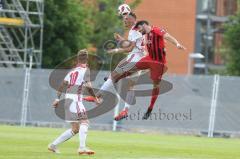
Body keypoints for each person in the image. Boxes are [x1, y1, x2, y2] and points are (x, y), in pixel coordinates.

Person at [48, 49, 99, 155]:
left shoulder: (72, 71)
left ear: (77, 59)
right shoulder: (86, 70)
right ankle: (82, 148)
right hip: (75, 101)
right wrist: (95, 98)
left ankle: (53, 145)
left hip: (67, 101)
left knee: (75, 129)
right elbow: (89, 86)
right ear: (87, 59)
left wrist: (57, 99)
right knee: (85, 122)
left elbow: (63, 84)